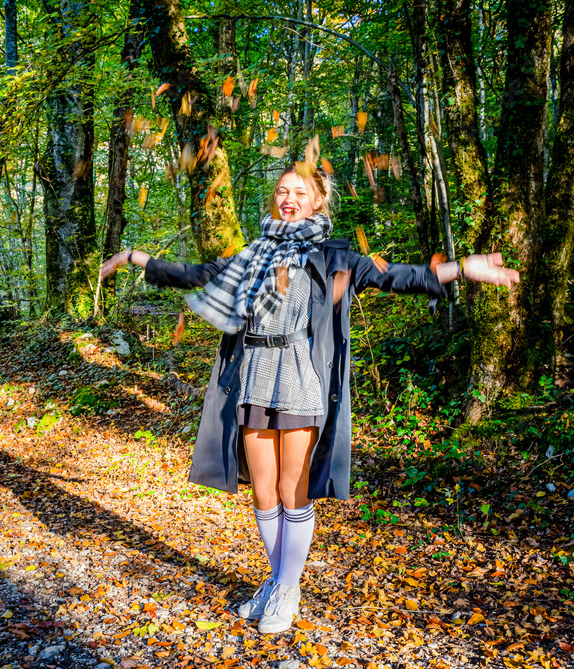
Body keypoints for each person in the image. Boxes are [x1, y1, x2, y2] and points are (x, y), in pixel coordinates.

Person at [101, 165, 518, 634]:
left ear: (318, 201)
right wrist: (135, 257)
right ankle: (278, 580)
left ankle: (287, 588)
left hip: (300, 374)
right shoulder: (252, 255)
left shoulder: (335, 257)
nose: (289, 198)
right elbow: (194, 274)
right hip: (255, 372)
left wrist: (462, 268)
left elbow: (396, 277)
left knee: (290, 488)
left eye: (300, 192)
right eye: (282, 190)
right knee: (262, 490)